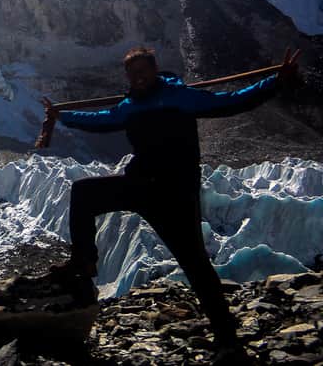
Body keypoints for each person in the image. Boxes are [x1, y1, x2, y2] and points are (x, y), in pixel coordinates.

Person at [40, 46, 301, 355]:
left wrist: (274, 81)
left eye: (143, 72)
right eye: (132, 74)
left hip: (175, 195)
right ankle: (83, 261)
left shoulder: (181, 96)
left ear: (154, 70)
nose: (138, 78)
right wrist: (62, 116)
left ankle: (227, 339)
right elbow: (100, 120)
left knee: (196, 266)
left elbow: (230, 103)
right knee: (83, 192)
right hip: (140, 185)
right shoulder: (129, 106)